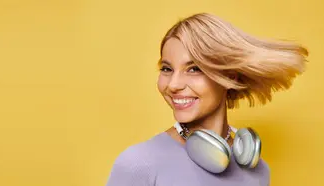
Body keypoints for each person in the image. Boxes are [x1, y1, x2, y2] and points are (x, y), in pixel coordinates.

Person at [105, 13, 308, 186]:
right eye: (167, 69)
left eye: (194, 69)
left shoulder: (258, 170)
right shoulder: (139, 164)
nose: (173, 84)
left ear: (230, 77)